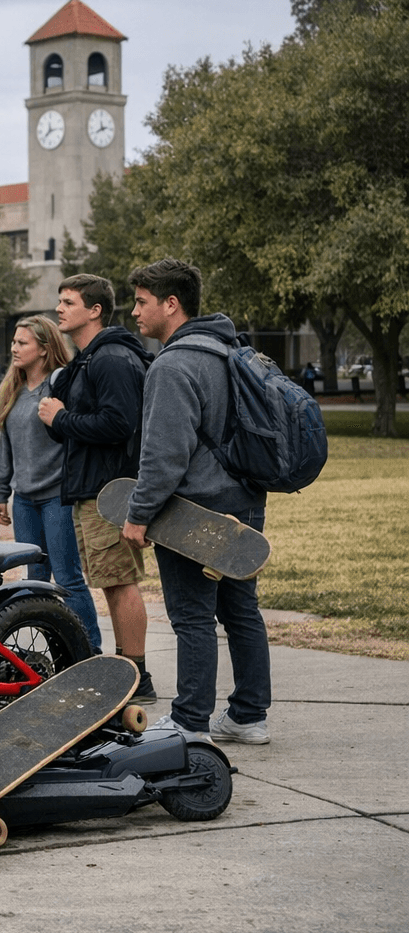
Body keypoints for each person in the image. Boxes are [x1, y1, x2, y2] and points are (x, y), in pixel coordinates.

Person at [122, 258, 272, 745]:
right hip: (244, 500)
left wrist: (139, 515)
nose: (135, 311)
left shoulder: (172, 364)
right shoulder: (232, 350)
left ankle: (190, 723)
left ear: (172, 303)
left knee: (192, 616)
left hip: (193, 512)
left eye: (142, 301)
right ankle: (249, 716)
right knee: (240, 609)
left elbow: (163, 455)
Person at [38, 273, 157, 703]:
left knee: (120, 582)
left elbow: (119, 423)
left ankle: (137, 677)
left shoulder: (111, 360)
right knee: (108, 582)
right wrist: (58, 417)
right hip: (89, 489)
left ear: (95, 310)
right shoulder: (85, 362)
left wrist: (62, 419)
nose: (60, 309)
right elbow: (67, 431)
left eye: (69, 302)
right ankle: (128, 671)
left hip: (110, 492)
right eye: (60, 301)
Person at [0, 316, 101, 650]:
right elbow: (5, 446)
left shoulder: (59, 386)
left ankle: (88, 650)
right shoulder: (13, 390)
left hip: (58, 498)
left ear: (44, 348)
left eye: (22, 343)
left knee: (67, 579)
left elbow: (76, 433)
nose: (14, 348)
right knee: (34, 583)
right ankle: (57, 651)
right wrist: (0, 492)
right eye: (13, 341)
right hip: (24, 501)